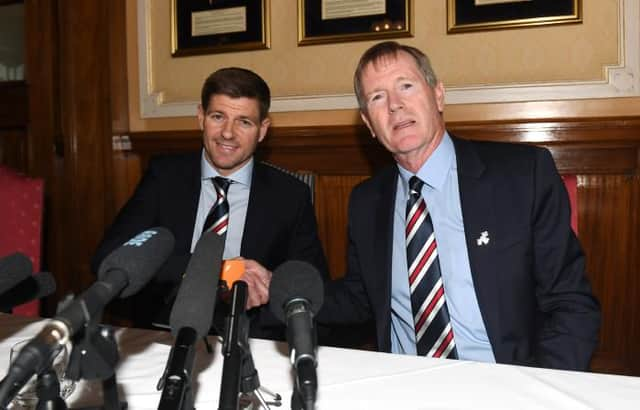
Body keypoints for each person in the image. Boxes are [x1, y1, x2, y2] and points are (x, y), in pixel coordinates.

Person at [317, 41, 601, 370]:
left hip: (506, 382)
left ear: (438, 95)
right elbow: (361, 297)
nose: (395, 105)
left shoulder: (522, 175)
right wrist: (278, 290)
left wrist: (535, 393)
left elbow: (571, 305)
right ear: (368, 123)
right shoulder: (367, 201)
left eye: (406, 86)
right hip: (403, 386)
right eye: (377, 97)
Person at [92, 67, 328, 341]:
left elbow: (314, 285)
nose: (227, 133)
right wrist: (220, 269)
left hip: (251, 339)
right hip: (165, 333)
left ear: (262, 130)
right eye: (218, 117)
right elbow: (108, 259)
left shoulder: (290, 196)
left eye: (244, 122)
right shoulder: (164, 178)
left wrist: (271, 283)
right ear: (201, 117)